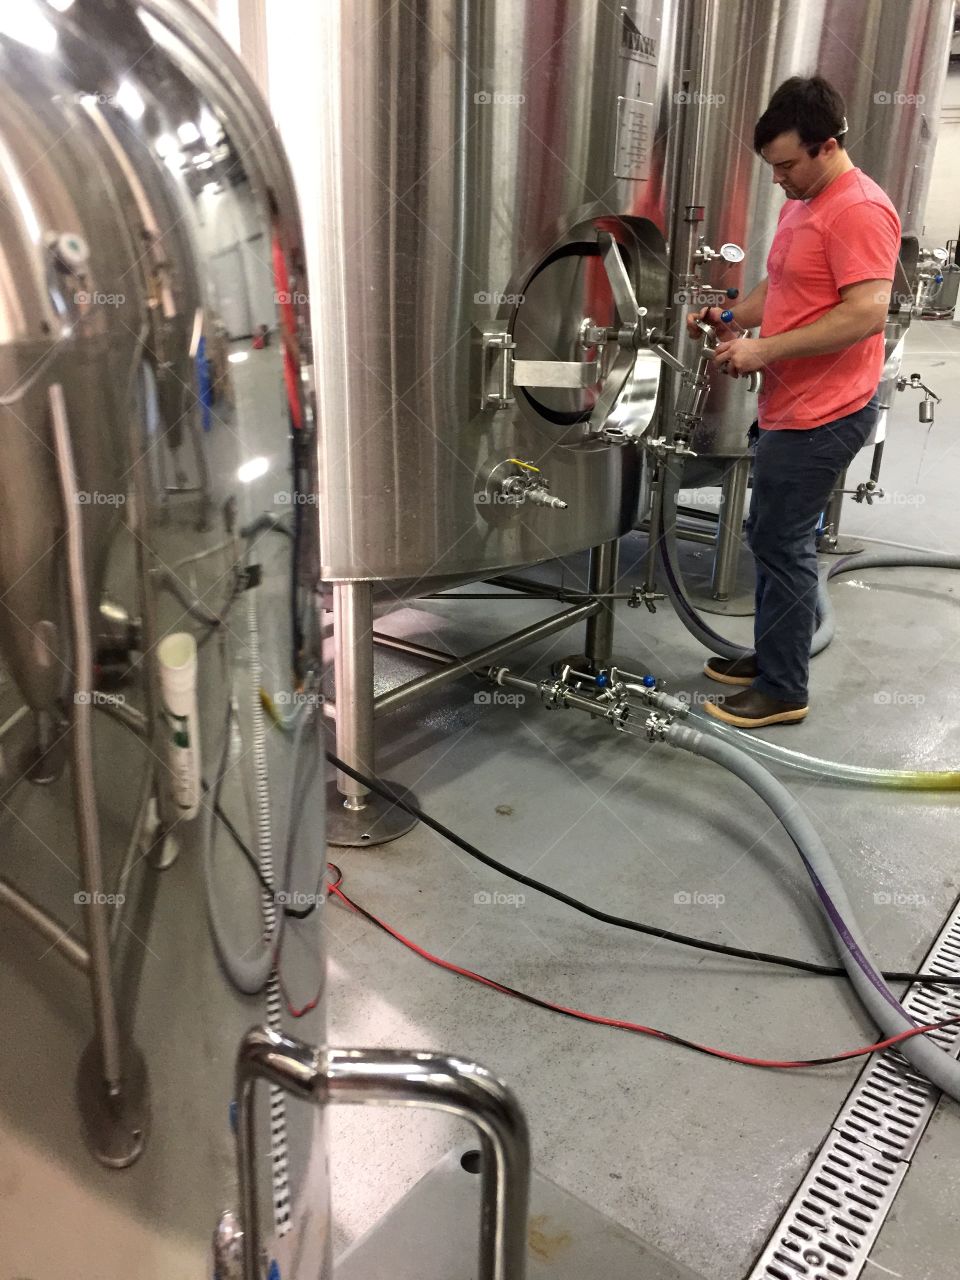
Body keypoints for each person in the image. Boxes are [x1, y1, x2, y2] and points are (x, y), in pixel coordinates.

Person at [686, 75, 900, 728]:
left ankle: (783, 688)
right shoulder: (802, 202)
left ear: (826, 145)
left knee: (782, 540)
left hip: (828, 412)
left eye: (786, 165)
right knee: (772, 535)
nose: (778, 179)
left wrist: (764, 352)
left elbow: (866, 313)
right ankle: (774, 653)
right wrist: (729, 314)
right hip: (793, 406)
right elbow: (777, 289)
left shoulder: (858, 209)